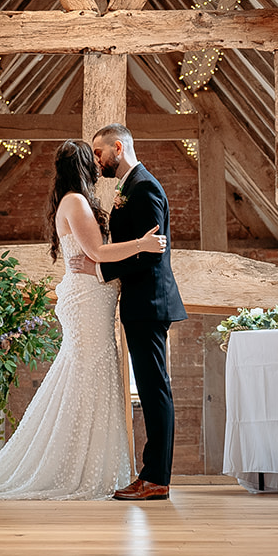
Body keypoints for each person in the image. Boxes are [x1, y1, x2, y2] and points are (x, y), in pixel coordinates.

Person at [0, 139, 166, 501]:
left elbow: (95, 257)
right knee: (86, 377)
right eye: (90, 156)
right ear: (81, 165)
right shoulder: (75, 202)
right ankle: (69, 467)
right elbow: (95, 251)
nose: (97, 161)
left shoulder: (81, 201)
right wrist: (142, 244)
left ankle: (92, 464)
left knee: (92, 378)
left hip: (96, 297)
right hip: (87, 301)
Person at [68, 122, 186, 501]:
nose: (97, 160)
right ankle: (152, 475)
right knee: (152, 389)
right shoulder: (130, 187)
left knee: (154, 391)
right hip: (140, 303)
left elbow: (151, 255)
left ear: (118, 148)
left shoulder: (145, 188)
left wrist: (100, 268)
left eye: (100, 153)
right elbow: (138, 247)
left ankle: (156, 478)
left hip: (149, 303)